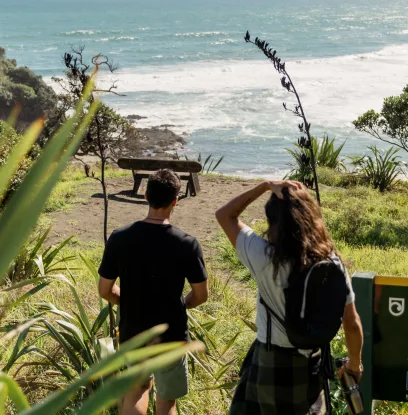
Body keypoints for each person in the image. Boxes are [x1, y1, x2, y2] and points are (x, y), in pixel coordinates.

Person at [216, 180, 364, 415]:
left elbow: (225, 215)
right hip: (313, 363)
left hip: (270, 361)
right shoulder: (331, 262)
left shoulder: (263, 256)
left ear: (273, 221)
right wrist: (354, 365)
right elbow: (352, 323)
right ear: (311, 217)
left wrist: (264, 186)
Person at [98, 169, 209, 415]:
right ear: (175, 201)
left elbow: (105, 290)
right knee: (167, 401)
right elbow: (201, 295)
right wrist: (181, 304)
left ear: (146, 196)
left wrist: (128, 302)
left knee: (137, 390)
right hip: (172, 334)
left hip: (133, 331)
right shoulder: (187, 243)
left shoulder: (119, 238)